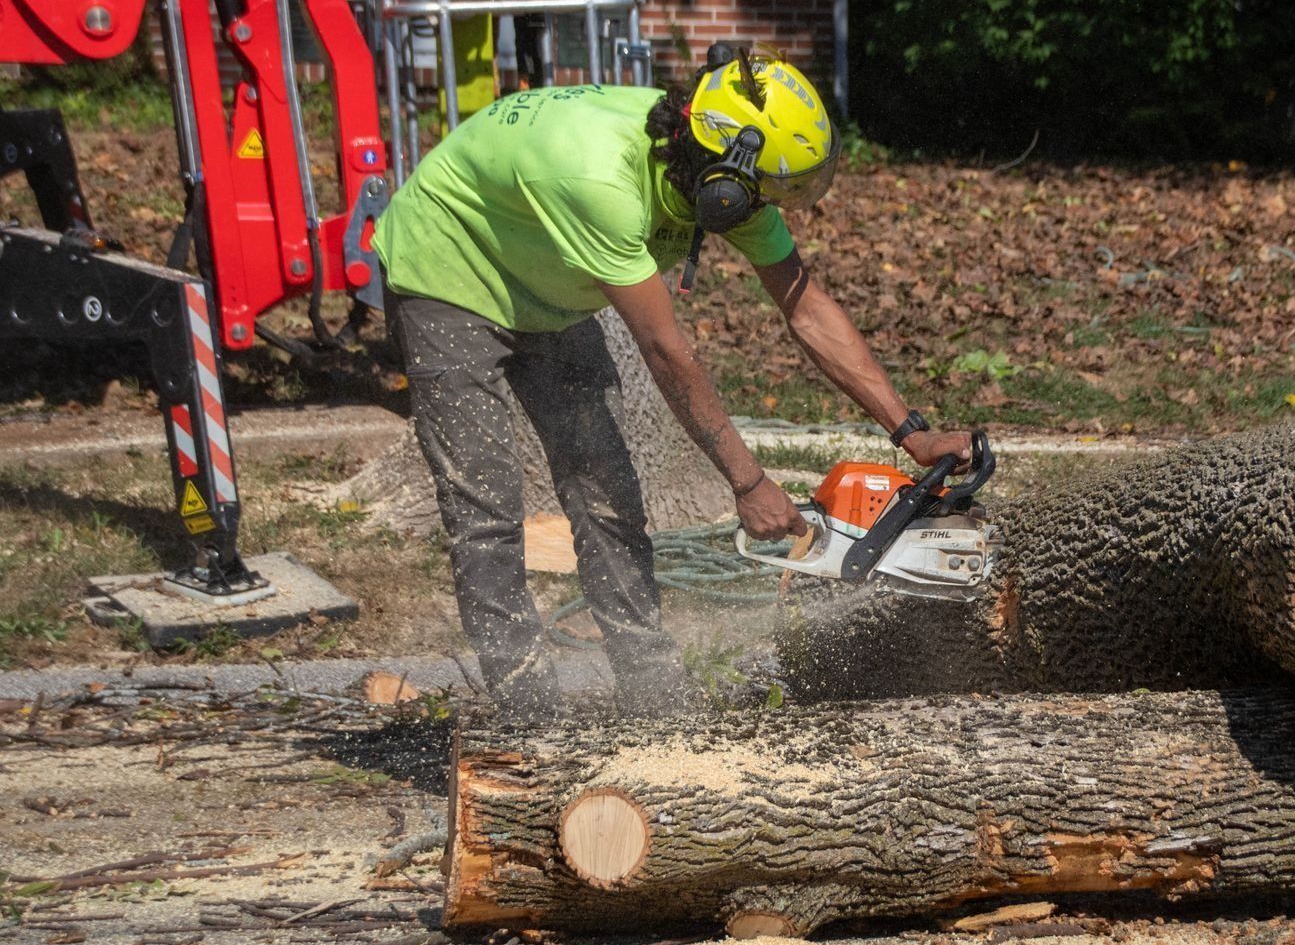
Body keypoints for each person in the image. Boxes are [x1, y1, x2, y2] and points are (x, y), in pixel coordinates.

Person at [370, 43, 971, 717]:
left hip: (552, 281)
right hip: (450, 269)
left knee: (607, 491)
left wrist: (910, 430)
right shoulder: (600, 180)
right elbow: (664, 350)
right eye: (766, 193)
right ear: (722, 176)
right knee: (486, 507)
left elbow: (806, 306)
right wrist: (747, 482)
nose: (768, 209)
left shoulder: (713, 171)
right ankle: (528, 720)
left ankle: (655, 699)